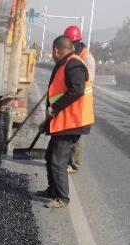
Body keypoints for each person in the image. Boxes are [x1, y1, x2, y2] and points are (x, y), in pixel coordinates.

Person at [37, 35, 94, 208]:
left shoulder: (73, 64)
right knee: (50, 156)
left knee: (58, 160)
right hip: (64, 121)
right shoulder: (65, 63)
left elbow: (77, 90)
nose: (52, 56)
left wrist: (54, 108)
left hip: (73, 122)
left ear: (56, 50)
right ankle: (52, 190)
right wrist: (47, 122)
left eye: (52, 52)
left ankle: (62, 198)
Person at [63, 25, 96, 174]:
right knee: (69, 132)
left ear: (75, 42)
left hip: (82, 104)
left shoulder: (87, 59)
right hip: (73, 101)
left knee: (78, 135)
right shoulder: (73, 56)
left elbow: (84, 83)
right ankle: (67, 159)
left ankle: (75, 164)